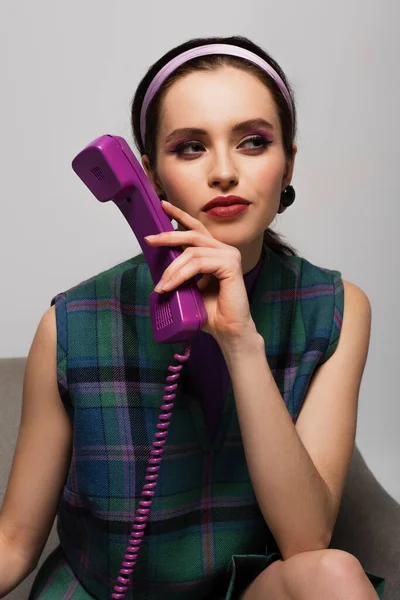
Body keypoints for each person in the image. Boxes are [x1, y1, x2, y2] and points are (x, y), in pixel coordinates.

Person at [0, 35, 386, 600]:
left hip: (246, 592)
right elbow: (14, 540)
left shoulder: (336, 308)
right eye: (189, 148)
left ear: (288, 165)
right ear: (149, 176)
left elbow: (308, 540)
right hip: (104, 593)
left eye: (254, 142)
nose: (225, 172)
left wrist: (240, 342)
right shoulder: (73, 321)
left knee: (332, 574)